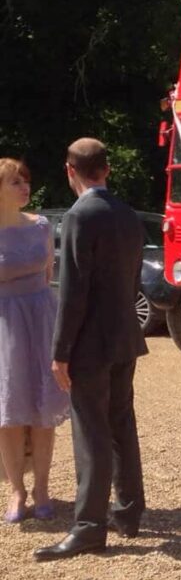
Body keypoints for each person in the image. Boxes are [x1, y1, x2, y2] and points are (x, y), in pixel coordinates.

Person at [34, 139, 147, 561]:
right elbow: (132, 278)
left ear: (70, 170)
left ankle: (88, 526)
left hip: (90, 343)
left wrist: (60, 350)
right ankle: (129, 512)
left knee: (92, 432)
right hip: (125, 336)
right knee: (121, 424)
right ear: (107, 170)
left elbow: (73, 292)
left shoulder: (80, 216)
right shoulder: (127, 214)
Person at [0, 158, 70, 523]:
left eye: (25, 180)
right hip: (4, 325)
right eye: (15, 182)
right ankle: (16, 491)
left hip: (41, 319)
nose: (24, 187)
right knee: (9, 415)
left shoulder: (41, 225)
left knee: (43, 410)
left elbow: (47, 275)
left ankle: (42, 488)